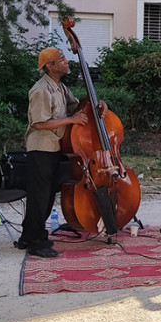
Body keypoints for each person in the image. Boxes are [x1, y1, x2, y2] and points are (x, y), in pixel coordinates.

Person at [17, 47, 106, 258]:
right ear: (50, 66)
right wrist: (70, 120)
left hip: (55, 147)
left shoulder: (60, 87)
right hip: (41, 148)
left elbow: (77, 106)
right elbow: (38, 123)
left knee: (47, 195)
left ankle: (27, 236)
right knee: (40, 196)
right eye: (62, 59)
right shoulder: (41, 90)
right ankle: (36, 243)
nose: (66, 62)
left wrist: (97, 104)